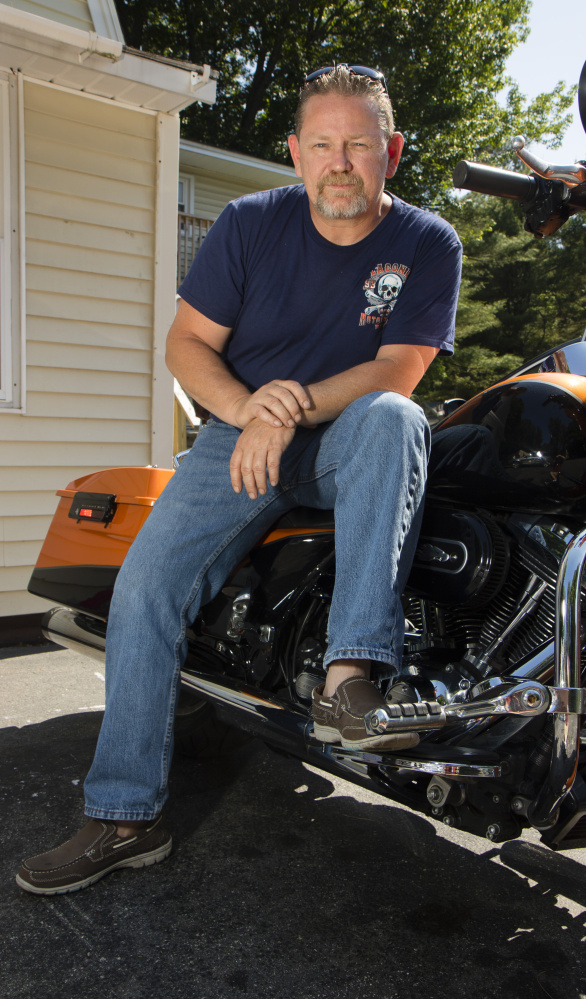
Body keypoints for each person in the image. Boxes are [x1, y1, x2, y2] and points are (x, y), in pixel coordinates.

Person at [16, 64, 462, 895]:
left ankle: (351, 677)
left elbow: (397, 371)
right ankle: (124, 814)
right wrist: (248, 410)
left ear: (391, 152)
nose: (339, 162)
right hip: (235, 439)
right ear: (295, 153)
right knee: (146, 587)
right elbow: (187, 344)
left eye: (358, 145)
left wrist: (286, 412)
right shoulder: (250, 223)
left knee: (399, 419)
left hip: (344, 442)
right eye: (322, 144)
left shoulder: (429, 243)